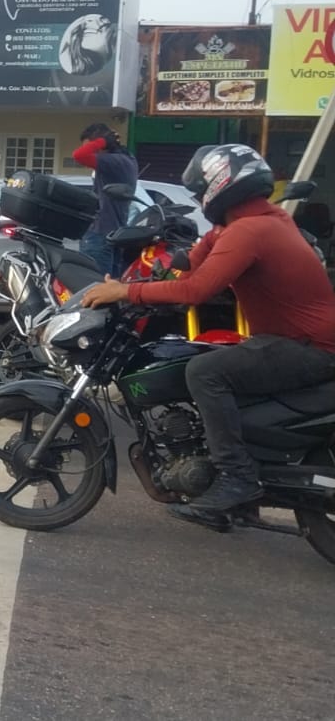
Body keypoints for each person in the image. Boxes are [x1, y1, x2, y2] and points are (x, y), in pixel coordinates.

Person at [83, 144, 335, 525]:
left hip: (309, 347)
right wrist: (135, 281)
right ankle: (231, 490)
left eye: (201, 190)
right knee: (204, 357)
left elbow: (194, 292)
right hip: (290, 340)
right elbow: (188, 269)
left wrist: (125, 292)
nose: (200, 199)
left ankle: (237, 478)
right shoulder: (252, 223)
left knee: (204, 372)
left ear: (221, 184)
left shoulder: (249, 231)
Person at [72, 122, 138, 276]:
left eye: (93, 147)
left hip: (100, 233)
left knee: (92, 287)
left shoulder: (114, 162)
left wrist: (102, 141)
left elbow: (79, 155)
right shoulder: (127, 159)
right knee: (109, 287)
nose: (92, 152)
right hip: (114, 232)